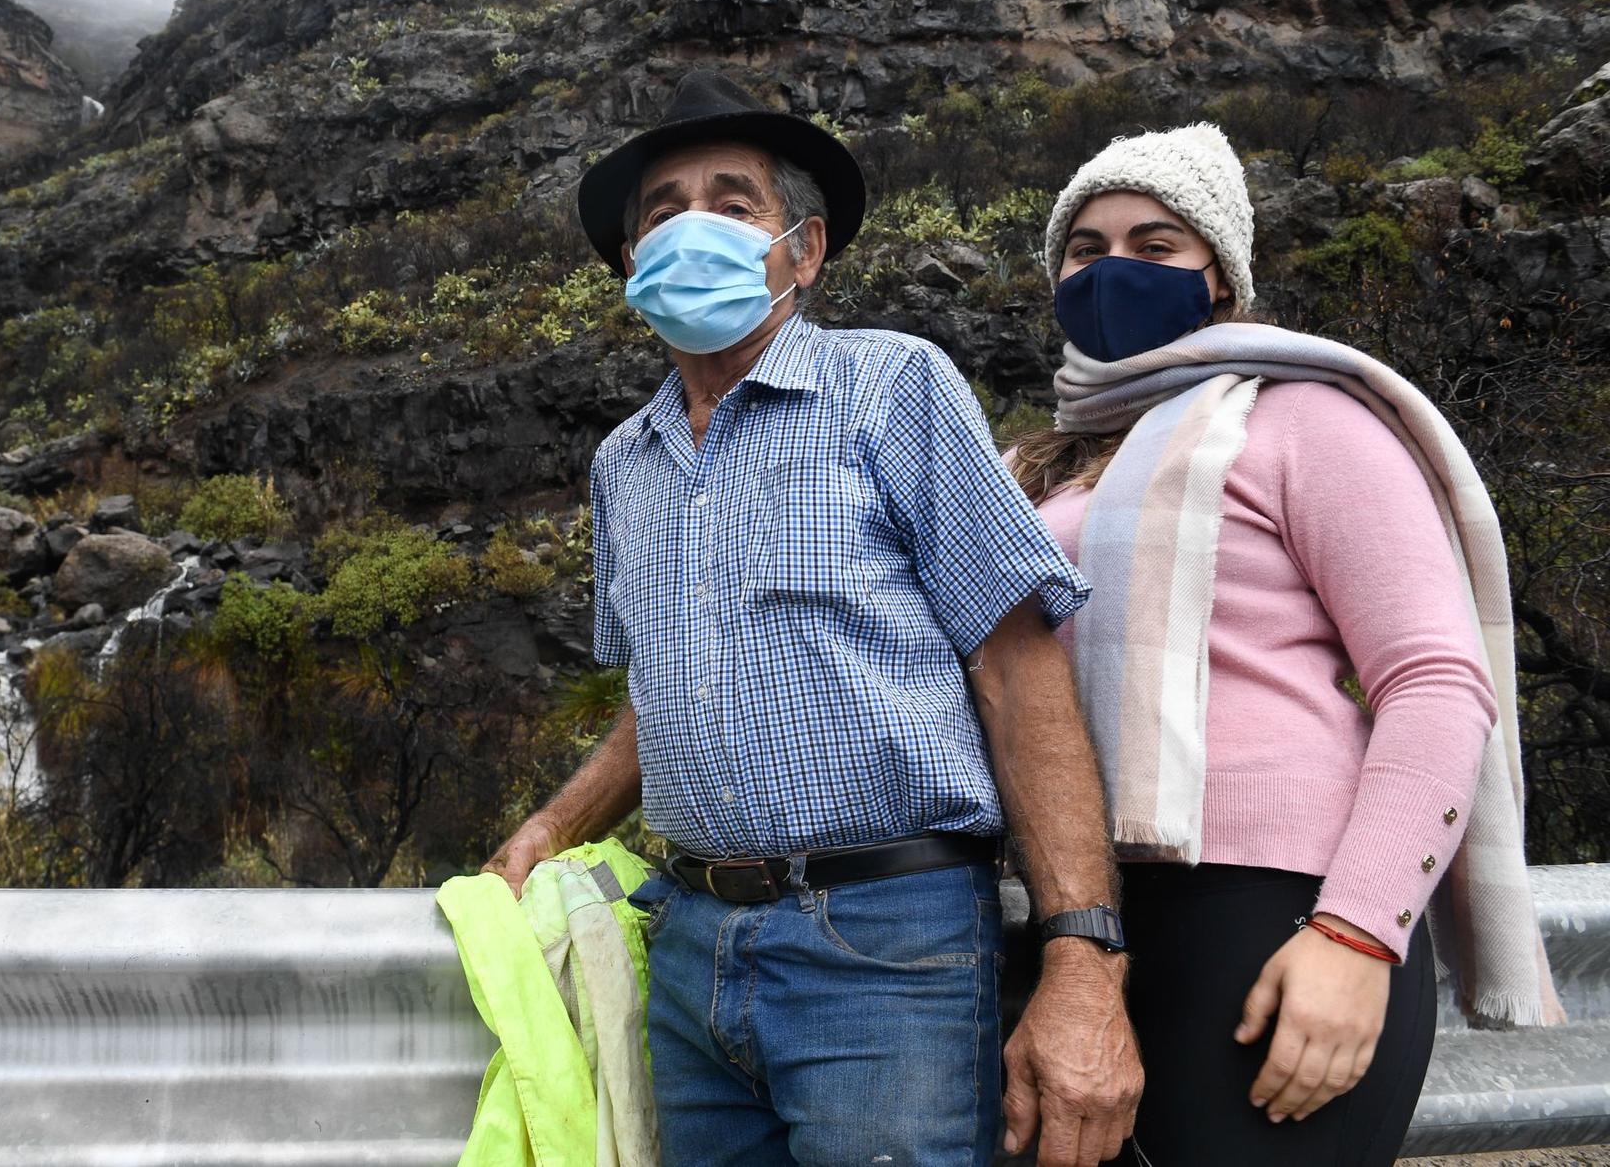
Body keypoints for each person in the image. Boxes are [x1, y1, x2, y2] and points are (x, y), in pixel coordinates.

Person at [483, 68, 1144, 1167]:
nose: (690, 224)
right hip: (690, 944)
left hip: (883, 939)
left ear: (804, 249)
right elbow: (665, 694)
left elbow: (1016, 667)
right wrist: (555, 825)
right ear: (631, 267)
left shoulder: (891, 386)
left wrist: (1080, 952)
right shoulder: (622, 462)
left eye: (731, 202)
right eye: (662, 210)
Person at [1011, 123, 1563, 1167]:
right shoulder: (1040, 466)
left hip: (1272, 916)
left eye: (1154, 243)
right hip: (1083, 920)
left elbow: (1436, 683)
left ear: (1219, 277)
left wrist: (1356, 934)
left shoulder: (1306, 420)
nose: (1111, 267)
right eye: (1084, 249)